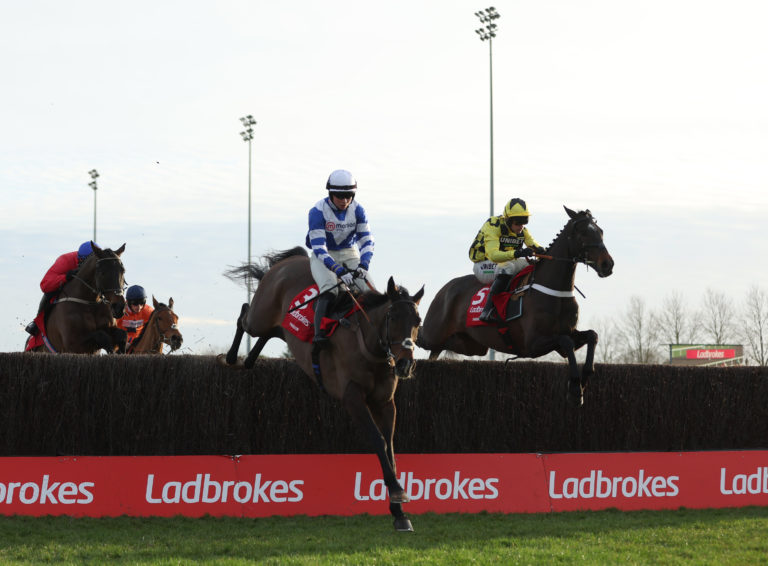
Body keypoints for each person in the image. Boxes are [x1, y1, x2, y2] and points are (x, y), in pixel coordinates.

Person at [306, 169, 374, 346]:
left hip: (349, 252)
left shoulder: (358, 210)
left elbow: (367, 242)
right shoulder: (317, 211)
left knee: (370, 292)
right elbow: (319, 248)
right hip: (324, 254)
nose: (344, 201)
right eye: (339, 196)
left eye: (349, 196)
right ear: (330, 194)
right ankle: (318, 333)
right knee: (330, 288)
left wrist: (363, 265)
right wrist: (337, 270)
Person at [468, 198, 546, 322]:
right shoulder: (493, 225)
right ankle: (487, 311)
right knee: (507, 267)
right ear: (508, 219)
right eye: (518, 222)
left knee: (535, 265)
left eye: (524, 221)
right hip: (483, 264)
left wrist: (542, 251)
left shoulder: (522, 231)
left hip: (505, 262)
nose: (521, 226)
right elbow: (493, 255)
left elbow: (534, 245)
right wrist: (518, 252)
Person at [25, 241, 96, 335]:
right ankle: (37, 323)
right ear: (80, 259)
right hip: (65, 292)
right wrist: (66, 277)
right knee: (49, 292)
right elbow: (45, 285)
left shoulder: (101, 264)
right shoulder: (65, 260)